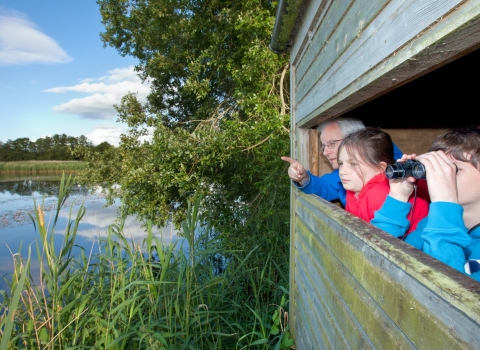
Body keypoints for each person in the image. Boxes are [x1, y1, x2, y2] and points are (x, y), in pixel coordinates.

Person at [371, 125, 480, 281]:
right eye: (439, 168)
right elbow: (374, 256)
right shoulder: (431, 223)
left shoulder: (439, 224)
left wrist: (444, 204)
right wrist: (398, 196)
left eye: (454, 169)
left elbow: (446, 292)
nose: (442, 175)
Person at [281, 118, 403, 206]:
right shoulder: (343, 173)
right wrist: (303, 177)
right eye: (324, 146)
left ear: (355, 138)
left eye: (331, 144)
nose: (325, 153)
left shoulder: (399, 178)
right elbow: (323, 187)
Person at [337, 128, 429, 231]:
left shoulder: (379, 195)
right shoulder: (353, 191)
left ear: (379, 169)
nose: (342, 171)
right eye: (341, 163)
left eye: (353, 164)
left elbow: (387, 238)